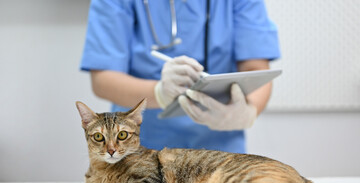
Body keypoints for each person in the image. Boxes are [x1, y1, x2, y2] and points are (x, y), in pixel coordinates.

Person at [80, 0, 280, 153]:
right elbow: (103, 80)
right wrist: (159, 93)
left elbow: (257, 68)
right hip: (140, 150)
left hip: (220, 151)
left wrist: (247, 112)